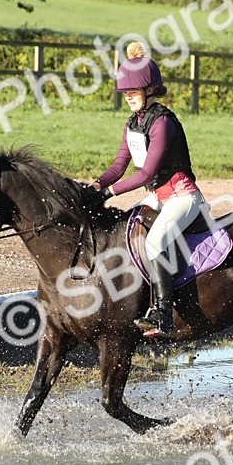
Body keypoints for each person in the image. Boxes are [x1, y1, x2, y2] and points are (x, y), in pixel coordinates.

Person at [90, 42, 204, 340]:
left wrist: (110, 192)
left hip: (182, 196)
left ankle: (164, 314)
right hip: (159, 196)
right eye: (125, 93)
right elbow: (119, 165)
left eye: (133, 92)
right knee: (127, 228)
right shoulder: (133, 123)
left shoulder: (162, 122)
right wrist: (97, 184)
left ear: (150, 89)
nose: (128, 97)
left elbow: (146, 174)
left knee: (154, 242)